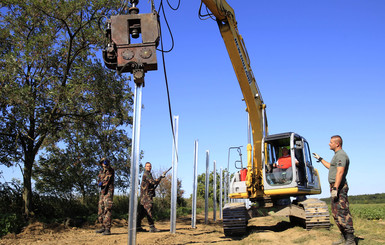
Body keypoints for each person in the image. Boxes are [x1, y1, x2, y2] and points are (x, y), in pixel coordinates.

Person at [313, 135, 355, 245]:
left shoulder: (341, 155)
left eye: (331, 142)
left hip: (339, 187)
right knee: (336, 213)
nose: (329, 144)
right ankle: (344, 236)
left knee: (342, 212)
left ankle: (350, 240)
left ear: (337, 144)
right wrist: (320, 159)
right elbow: (331, 167)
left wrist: (335, 188)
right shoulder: (336, 155)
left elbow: (340, 172)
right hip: (335, 186)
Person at [137, 162, 165, 232]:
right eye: (147, 166)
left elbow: (152, 183)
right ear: (145, 167)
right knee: (149, 211)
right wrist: (160, 177)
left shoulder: (148, 174)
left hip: (144, 196)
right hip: (146, 197)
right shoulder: (147, 174)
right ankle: (152, 227)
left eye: (150, 166)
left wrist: (160, 178)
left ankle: (137, 226)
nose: (149, 167)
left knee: (142, 212)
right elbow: (153, 182)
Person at [95, 158, 115, 235]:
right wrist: (99, 183)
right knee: (100, 209)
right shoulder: (100, 172)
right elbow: (98, 182)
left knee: (107, 209)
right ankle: (103, 227)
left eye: (105, 162)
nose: (104, 163)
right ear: (101, 164)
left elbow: (107, 179)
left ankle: (107, 228)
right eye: (103, 162)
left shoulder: (110, 170)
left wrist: (102, 183)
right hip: (102, 193)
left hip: (108, 193)